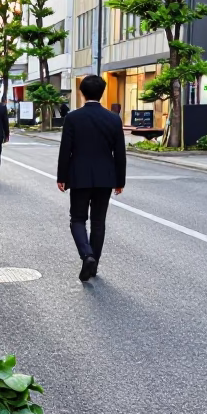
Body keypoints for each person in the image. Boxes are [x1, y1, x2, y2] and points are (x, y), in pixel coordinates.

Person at [56, 74, 127, 281]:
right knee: (98, 221)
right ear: (102, 93)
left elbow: (65, 150)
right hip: (105, 177)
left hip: (79, 176)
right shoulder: (113, 119)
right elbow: (120, 153)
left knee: (77, 219)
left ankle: (87, 255)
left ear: (82, 92)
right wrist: (119, 181)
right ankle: (93, 264)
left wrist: (62, 176)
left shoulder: (73, 117)